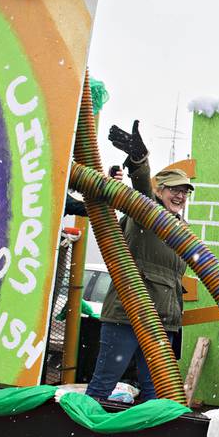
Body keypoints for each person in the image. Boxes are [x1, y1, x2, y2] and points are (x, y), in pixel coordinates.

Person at [85, 120, 193, 402]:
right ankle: (81, 434)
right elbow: (142, 186)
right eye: (174, 189)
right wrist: (139, 160)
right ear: (159, 191)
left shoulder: (183, 230)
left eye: (185, 191)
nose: (180, 195)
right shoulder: (144, 212)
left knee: (155, 391)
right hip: (128, 314)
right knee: (103, 385)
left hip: (164, 321)